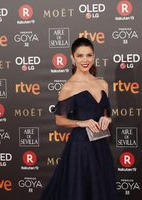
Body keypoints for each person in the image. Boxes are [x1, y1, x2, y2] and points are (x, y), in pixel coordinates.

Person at [40, 37, 117, 200]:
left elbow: (105, 113)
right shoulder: (69, 86)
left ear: (94, 56)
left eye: (89, 55)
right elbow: (59, 120)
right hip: (81, 147)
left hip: (100, 146)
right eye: (80, 55)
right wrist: (81, 122)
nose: (85, 60)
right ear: (72, 58)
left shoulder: (102, 84)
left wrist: (107, 119)